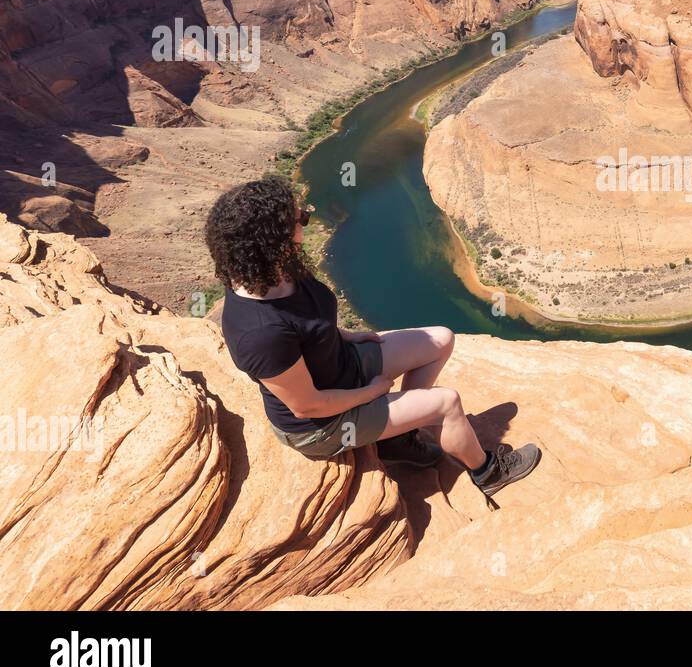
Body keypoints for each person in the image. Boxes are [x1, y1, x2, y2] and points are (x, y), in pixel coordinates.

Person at [203, 177, 540, 498]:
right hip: (323, 425)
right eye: (301, 218)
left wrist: (344, 335)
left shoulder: (278, 270)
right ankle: (489, 474)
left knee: (441, 339)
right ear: (271, 241)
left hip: (341, 365)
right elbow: (307, 406)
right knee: (447, 403)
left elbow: (305, 323)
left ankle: (400, 437)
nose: (307, 219)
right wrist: (372, 392)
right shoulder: (258, 333)